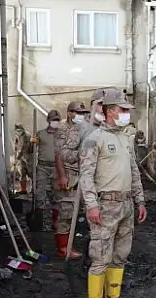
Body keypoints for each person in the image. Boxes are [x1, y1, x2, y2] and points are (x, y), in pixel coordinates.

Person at [79, 89, 147, 298]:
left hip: (127, 204)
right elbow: (85, 176)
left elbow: (134, 171)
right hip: (105, 205)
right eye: (123, 110)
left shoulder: (125, 138)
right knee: (100, 257)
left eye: (127, 110)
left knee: (120, 256)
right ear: (109, 112)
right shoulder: (94, 139)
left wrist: (140, 200)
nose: (127, 113)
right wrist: (92, 206)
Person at [53, 101, 90, 260]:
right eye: (77, 112)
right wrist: (62, 175)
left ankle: (69, 244)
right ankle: (63, 248)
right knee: (66, 212)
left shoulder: (82, 128)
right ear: (69, 113)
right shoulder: (62, 129)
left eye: (82, 113)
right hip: (68, 174)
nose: (80, 116)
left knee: (76, 210)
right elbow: (58, 154)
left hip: (79, 174)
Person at [30, 110, 62, 232]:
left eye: (57, 120)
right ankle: (39, 222)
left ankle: (55, 222)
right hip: (43, 167)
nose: (56, 122)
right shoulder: (41, 134)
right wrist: (31, 143)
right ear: (48, 121)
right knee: (40, 194)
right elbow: (30, 150)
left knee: (56, 195)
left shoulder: (62, 134)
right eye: (54, 120)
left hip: (57, 168)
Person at [12, 124, 32, 194]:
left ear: (22, 130)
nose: (18, 132)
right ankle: (23, 190)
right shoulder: (18, 135)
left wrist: (17, 158)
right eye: (17, 131)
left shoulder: (27, 135)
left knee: (31, 173)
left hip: (29, 156)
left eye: (19, 130)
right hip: (22, 157)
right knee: (22, 173)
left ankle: (33, 190)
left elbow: (24, 148)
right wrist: (16, 145)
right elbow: (18, 143)